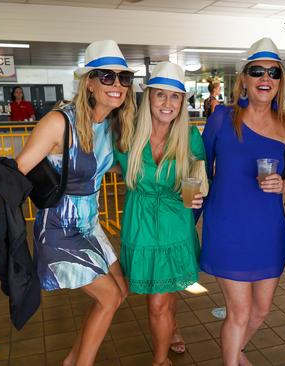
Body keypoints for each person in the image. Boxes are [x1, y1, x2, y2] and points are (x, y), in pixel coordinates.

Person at [0, 40, 136, 366]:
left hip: (89, 227)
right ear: (89, 82)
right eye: (107, 77)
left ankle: (71, 361)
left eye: (124, 78)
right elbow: (19, 169)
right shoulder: (59, 122)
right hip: (58, 230)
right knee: (108, 298)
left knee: (118, 292)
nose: (117, 85)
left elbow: (117, 164)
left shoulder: (113, 124)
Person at [199, 37, 285, 366]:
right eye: (257, 71)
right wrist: (190, 209)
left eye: (273, 73)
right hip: (227, 225)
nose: (265, 79)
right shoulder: (223, 118)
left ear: (280, 82)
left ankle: (234, 354)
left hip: (268, 230)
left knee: (260, 310)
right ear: (244, 78)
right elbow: (197, 168)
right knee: (239, 311)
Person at [113, 61, 205, 366]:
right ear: (148, 97)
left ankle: (159, 360)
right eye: (161, 95)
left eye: (175, 97)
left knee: (158, 302)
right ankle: (172, 327)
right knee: (163, 292)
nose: (168, 103)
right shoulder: (126, 136)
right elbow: (104, 163)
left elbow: (199, 179)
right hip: (139, 225)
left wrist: (195, 195)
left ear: (182, 102)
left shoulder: (190, 138)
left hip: (175, 223)